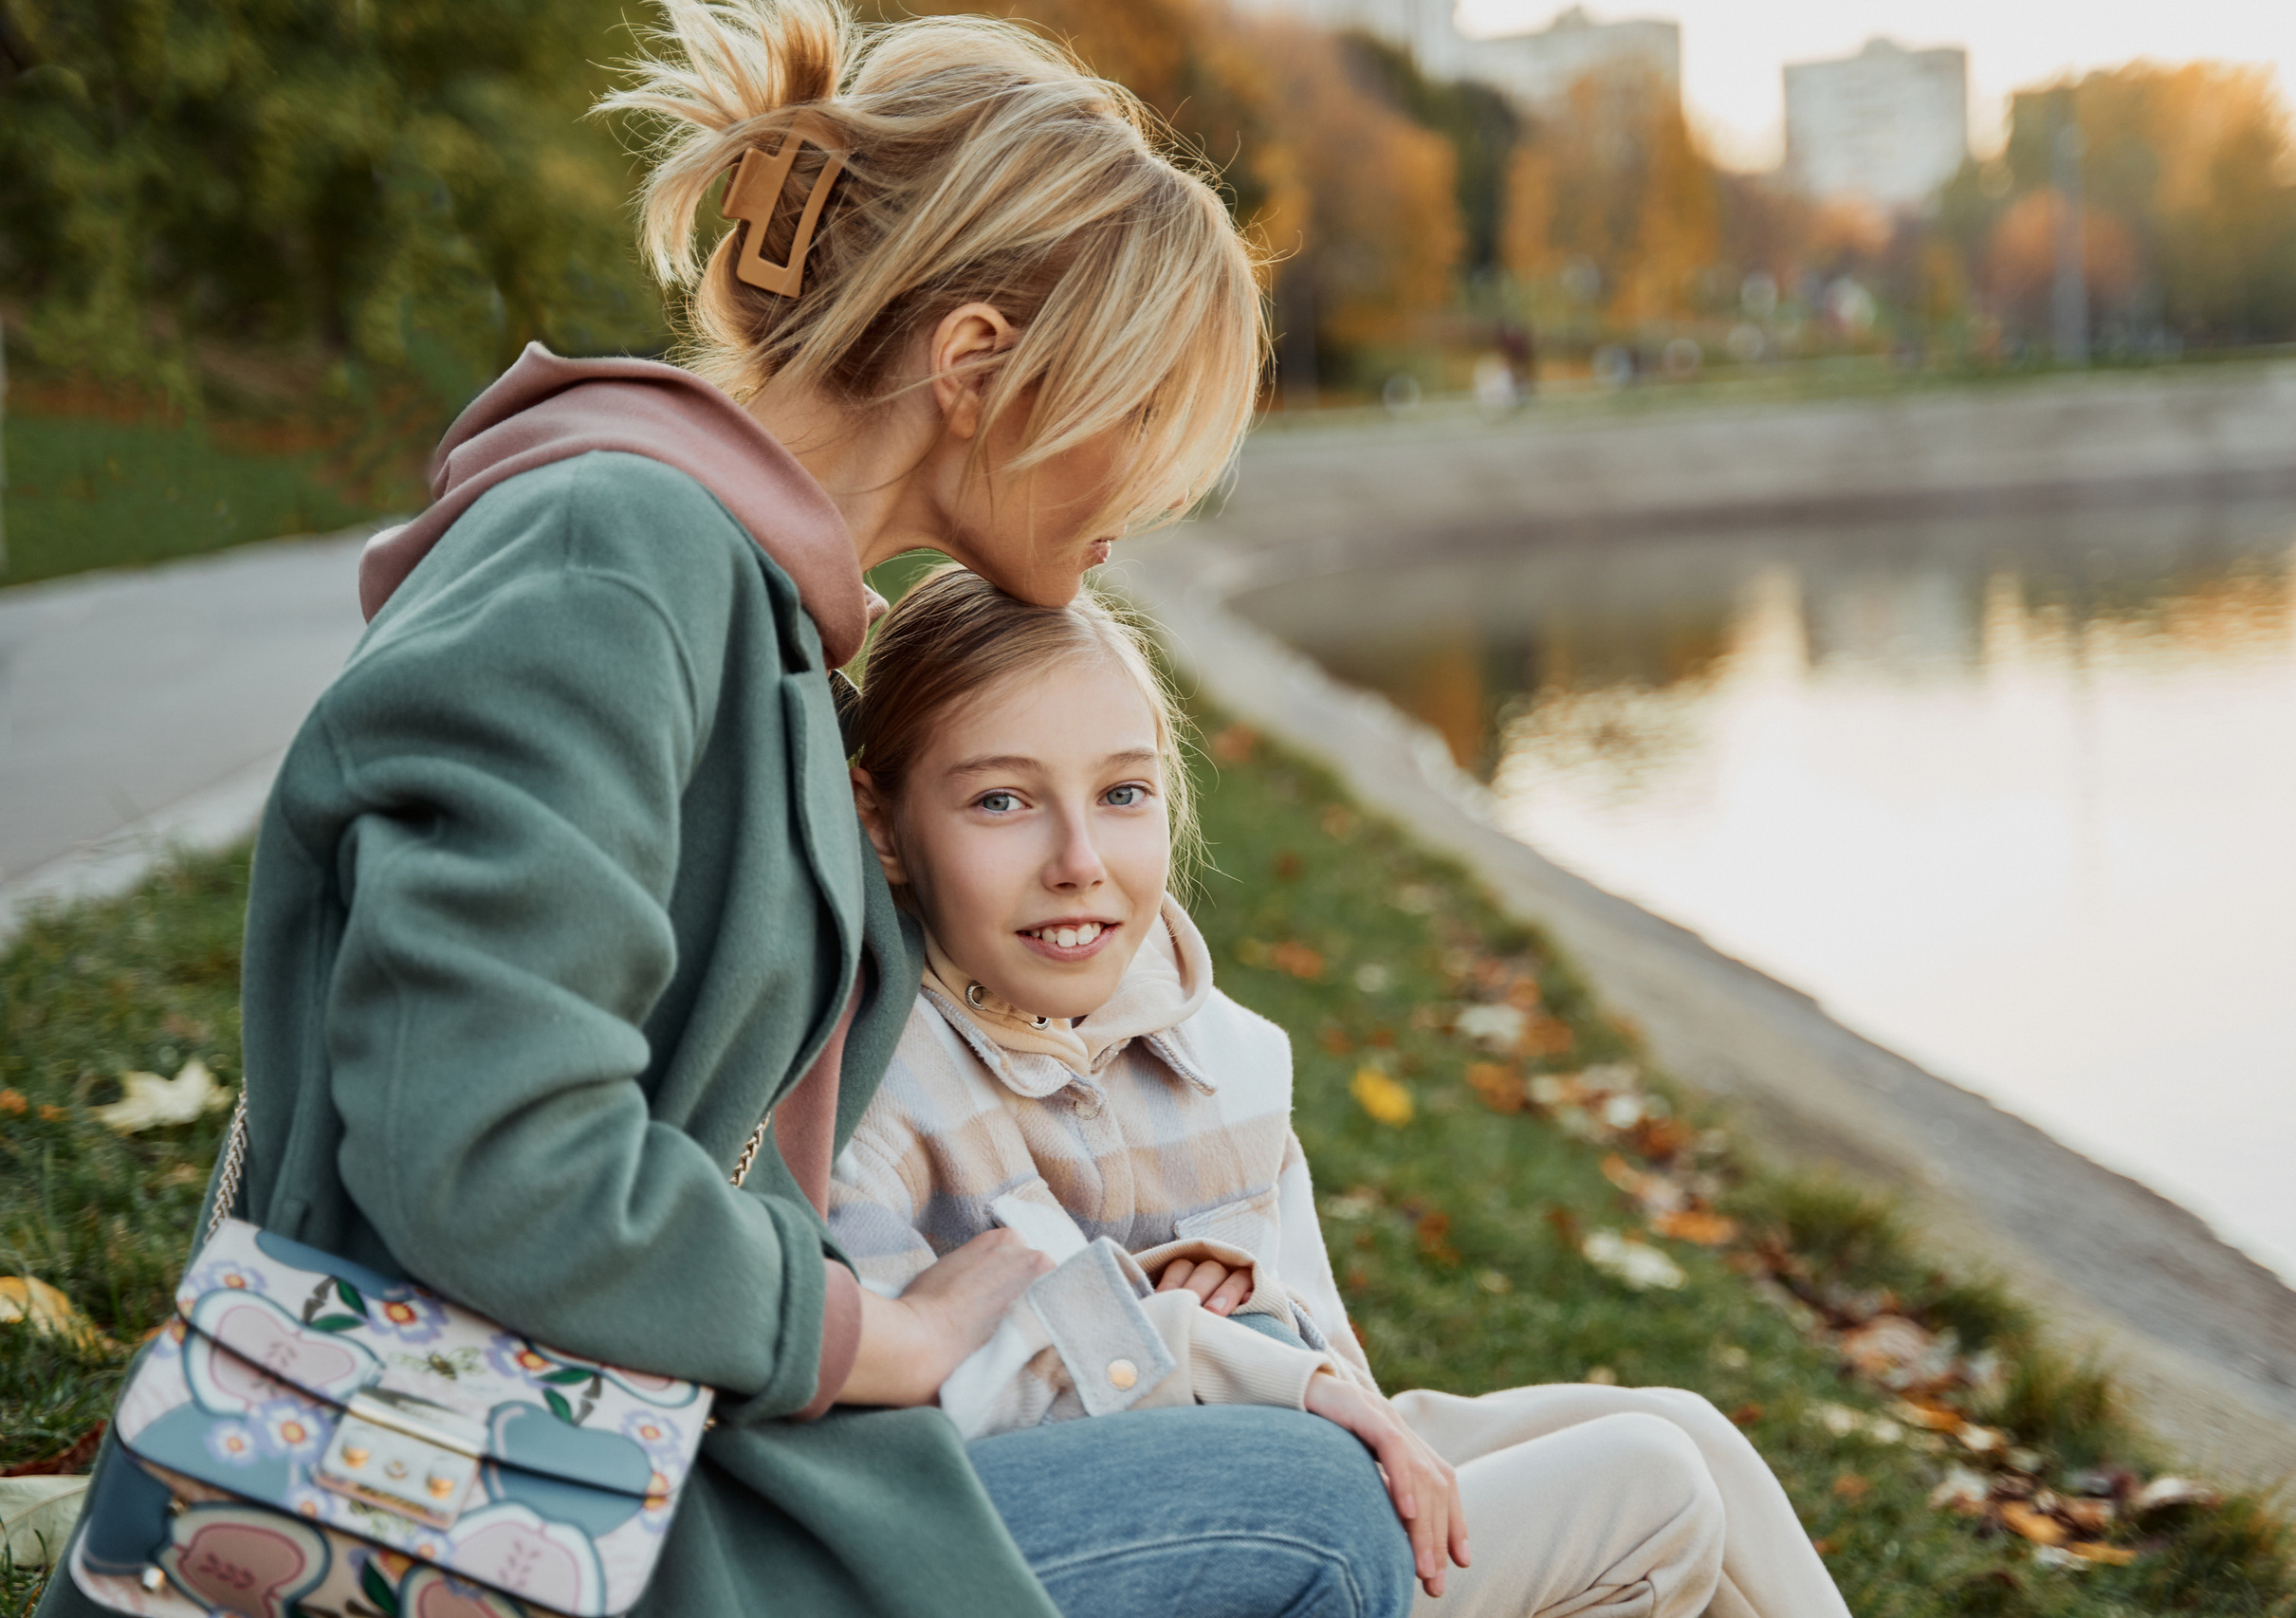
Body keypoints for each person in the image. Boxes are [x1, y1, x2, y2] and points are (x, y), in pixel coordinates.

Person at [40, 2, 1414, 1615]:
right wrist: (863, 1334)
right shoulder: (611, 565)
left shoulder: (755, 624)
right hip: (498, 1482)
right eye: (1147, 417)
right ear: (976, 365)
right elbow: (481, 1147)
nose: (1163, 490)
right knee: (1317, 1513)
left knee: (1387, 1470)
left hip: (640, 1433)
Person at [829, 565, 1860, 1618]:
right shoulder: (870, 1090)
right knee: (1649, 1485)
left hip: (1299, 1456)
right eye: (1002, 801)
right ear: (883, 824)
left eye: (1123, 793)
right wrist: (1183, 1327)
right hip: (1160, 1545)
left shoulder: (1222, 1055)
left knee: (1690, 1430)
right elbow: (920, 1412)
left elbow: (1323, 1356)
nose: (1079, 860)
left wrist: (1261, 1331)